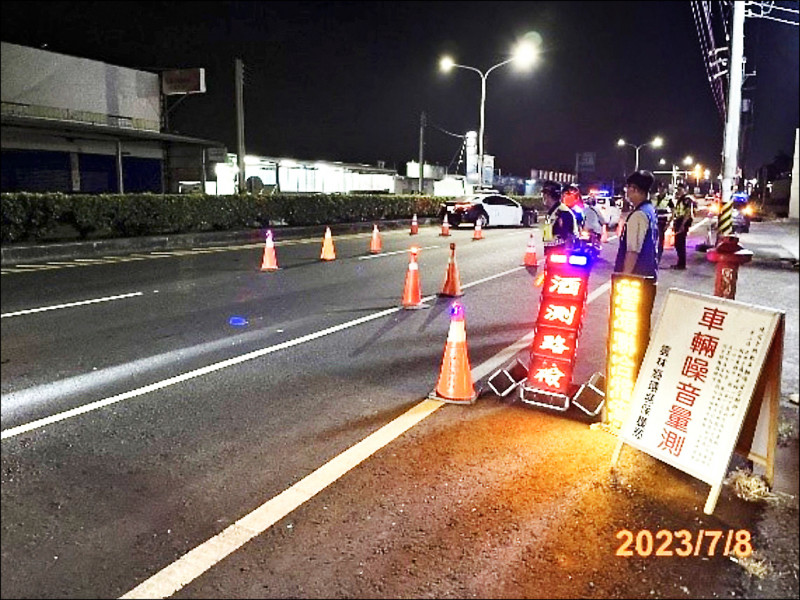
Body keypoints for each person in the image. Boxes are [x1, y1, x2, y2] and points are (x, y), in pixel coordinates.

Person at [614, 170, 659, 279]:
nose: (626, 192)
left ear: (634, 189)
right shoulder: (650, 210)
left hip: (636, 277)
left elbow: (632, 251)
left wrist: (625, 277)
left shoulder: (638, 215)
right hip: (648, 275)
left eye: (627, 188)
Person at [542, 181, 579, 251]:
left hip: (564, 253)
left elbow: (568, 236)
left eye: (544, 194)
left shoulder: (563, 212)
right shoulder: (553, 212)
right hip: (552, 253)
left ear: (547, 196)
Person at [671, 182, 695, 270]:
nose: (678, 191)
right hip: (678, 221)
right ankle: (679, 263)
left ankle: (682, 264)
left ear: (685, 190)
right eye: (678, 189)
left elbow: (687, 213)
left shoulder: (687, 199)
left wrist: (682, 225)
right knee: (678, 244)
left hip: (682, 222)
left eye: (680, 190)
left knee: (680, 244)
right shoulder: (681, 199)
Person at [652, 184, 675, 264]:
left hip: (663, 222)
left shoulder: (669, 199)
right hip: (654, 222)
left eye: (663, 189)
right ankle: (652, 256)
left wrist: (668, 224)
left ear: (665, 190)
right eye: (660, 188)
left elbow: (673, 212)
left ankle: (658, 257)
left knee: (660, 240)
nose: (661, 190)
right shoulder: (654, 197)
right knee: (652, 239)